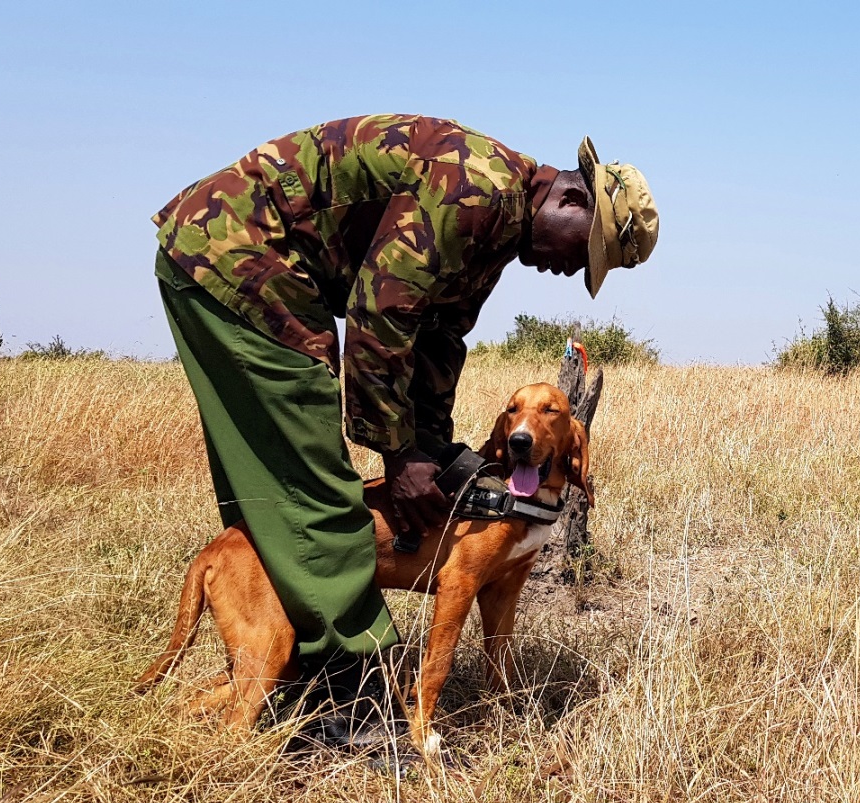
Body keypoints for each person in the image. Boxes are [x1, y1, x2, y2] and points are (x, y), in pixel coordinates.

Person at [150, 114, 658, 732]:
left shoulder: (494, 232)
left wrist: (434, 450)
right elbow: (380, 312)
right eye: (585, 252)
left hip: (223, 260)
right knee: (315, 490)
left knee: (280, 489)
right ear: (573, 199)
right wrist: (399, 455)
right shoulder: (480, 190)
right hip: (234, 255)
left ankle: (279, 664)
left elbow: (438, 339)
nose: (571, 272)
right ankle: (351, 703)